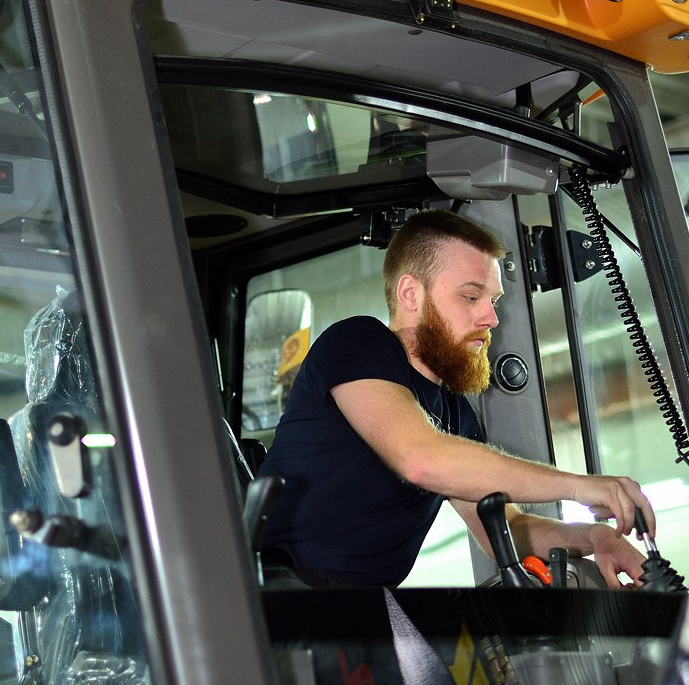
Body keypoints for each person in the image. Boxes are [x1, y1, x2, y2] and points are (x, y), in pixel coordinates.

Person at [259, 209, 656, 588]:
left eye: (493, 301)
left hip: (364, 610)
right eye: (471, 297)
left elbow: (508, 528)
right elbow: (421, 459)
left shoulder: (453, 415)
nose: (491, 318)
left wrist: (596, 537)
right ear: (411, 294)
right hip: (280, 594)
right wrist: (581, 487)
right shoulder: (357, 343)